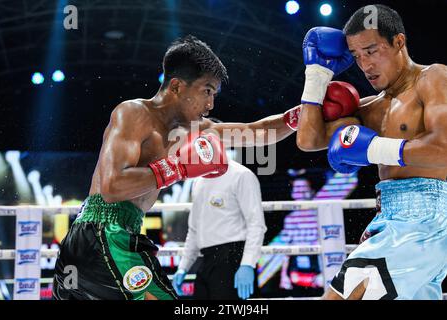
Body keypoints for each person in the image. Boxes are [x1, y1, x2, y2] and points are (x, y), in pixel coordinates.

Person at [53, 35, 299, 300]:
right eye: (207, 91)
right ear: (177, 86)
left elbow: (256, 132)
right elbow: (112, 188)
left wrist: (298, 117)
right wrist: (178, 168)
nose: (210, 104)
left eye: (214, 94)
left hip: (115, 237)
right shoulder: (134, 113)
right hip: (102, 234)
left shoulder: (193, 129)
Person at [296, 4, 447, 300]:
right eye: (356, 56)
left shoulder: (433, 78)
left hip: (426, 223)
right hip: (388, 220)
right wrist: (317, 74)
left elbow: (444, 149)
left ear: (399, 42)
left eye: (371, 50)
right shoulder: (370, 108)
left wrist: (376, 148)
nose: (365, 65)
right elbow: (308, 139)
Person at [172, 157, 266, 300]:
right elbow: (194, 230)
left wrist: (247, 263)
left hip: (233, 258)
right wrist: (183, 267)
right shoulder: (198, 180)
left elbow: (256, 224)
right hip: (207, 259)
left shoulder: (241, 175)